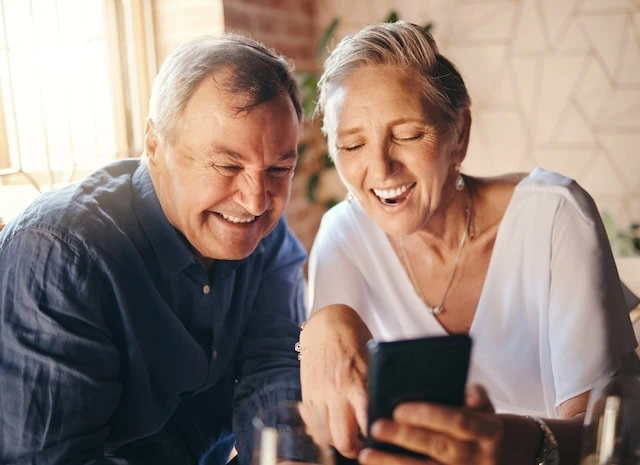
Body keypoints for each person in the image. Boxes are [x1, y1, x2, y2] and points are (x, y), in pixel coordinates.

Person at [300, 21, 639, 465]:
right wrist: (321, 325)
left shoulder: (553, 215)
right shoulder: (342, 235)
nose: (380, 169)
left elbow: (609, 439)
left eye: (408, 135)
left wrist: (512, 441)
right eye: (353, 144)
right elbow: (336, 436)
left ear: (459, 133)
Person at [0, 34, 305, 465]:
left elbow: (273, 365)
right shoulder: (60, 253)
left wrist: (286, 453)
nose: (256, 201)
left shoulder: (265, 236)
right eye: (226, 165)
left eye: (279, 169)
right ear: (154, 145)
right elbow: (50, 458)